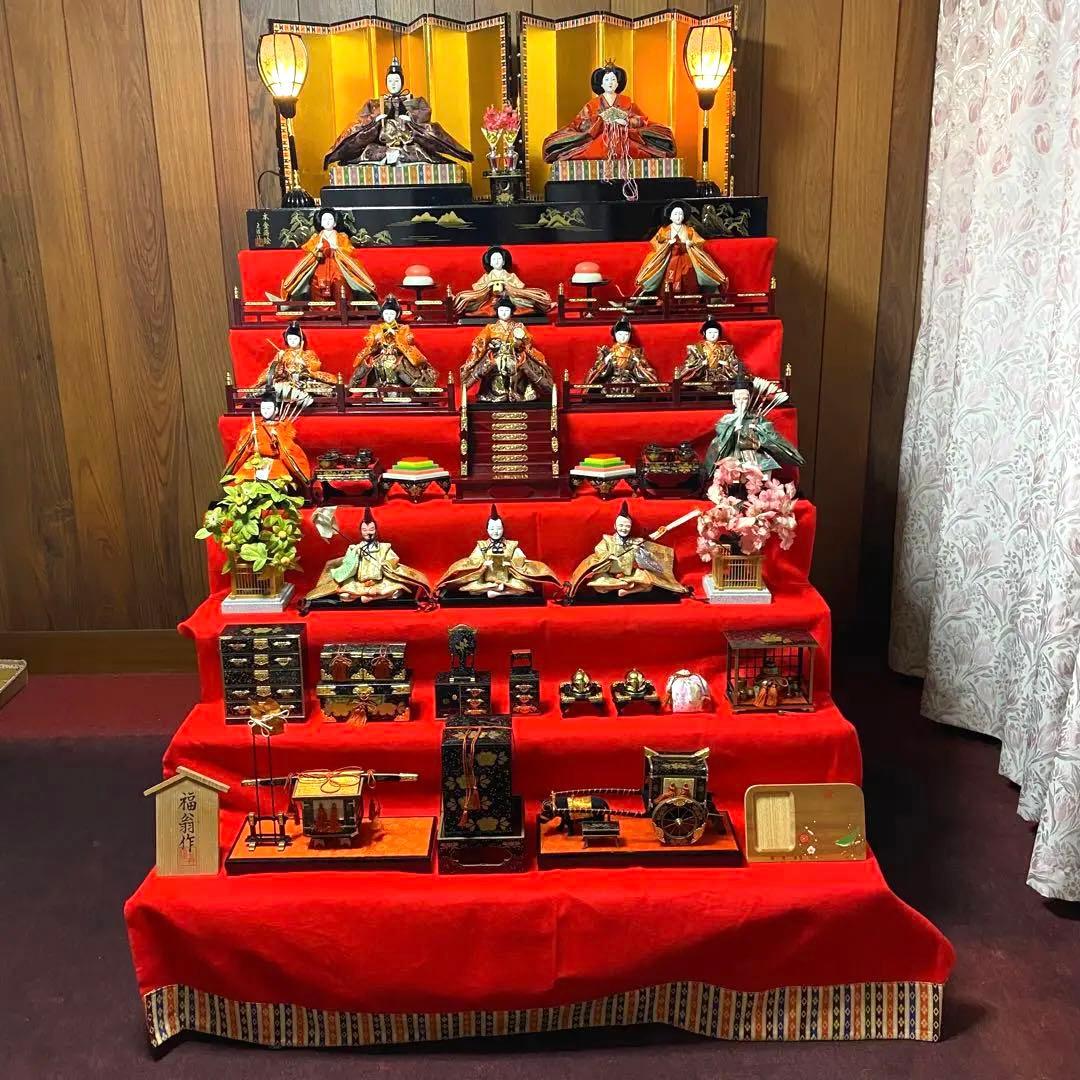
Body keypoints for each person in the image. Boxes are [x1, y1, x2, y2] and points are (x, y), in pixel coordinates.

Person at [324, 57, 473, 169]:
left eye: (396, 81)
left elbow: (425, 115)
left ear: (402, 82)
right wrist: (376, 120)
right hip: (381, 144)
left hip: (407, 143)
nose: (393, 84)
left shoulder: (414, 101)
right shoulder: (375, 103)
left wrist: (410, 119)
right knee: (368, 151)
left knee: (421, 149)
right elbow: (363, 120)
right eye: (390, 81)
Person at [541, 61, 675, 163]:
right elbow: (581, 124)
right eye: (606, 80)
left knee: (649, 142)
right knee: (592, 150)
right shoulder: (592, 104)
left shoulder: (627, 101)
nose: (610, 83)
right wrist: (600, 121)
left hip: (625, 137)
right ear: (601, 84)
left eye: (613, 79)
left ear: (618, 83)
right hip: (599, 138)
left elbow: (641, 120)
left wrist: (626, 121)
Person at [303, 508, 432, 606]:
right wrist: (354, 555)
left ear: (376, 530)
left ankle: (371, 597)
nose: (368, 533)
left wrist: (385, 564)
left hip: (379, 582)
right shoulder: (355, 548)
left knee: (397, 592)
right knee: (344, 595)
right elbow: (347, 565)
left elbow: (393, 559)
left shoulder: (384, 547)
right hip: (359, 582)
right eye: (365, 530)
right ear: (360, 531)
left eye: (371, 529)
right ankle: (370, 596)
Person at [566, 501, 686, 599]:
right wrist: (608, 556)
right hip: (609, 574)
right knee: (598, 586)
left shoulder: (635, 541)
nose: (624, 529)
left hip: (629, 574)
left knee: (649, 582)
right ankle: (624, 586)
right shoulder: (608, 540)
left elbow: (648, 558)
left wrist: (639, 551)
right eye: (621, 525)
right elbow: (599, 551)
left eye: (627, 526)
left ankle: (626, 591)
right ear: (615, 526)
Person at [436, 505, 559, 599]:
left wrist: (510, 564)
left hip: (507, 579)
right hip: (486, 579)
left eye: (499, 528)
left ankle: (500, 593)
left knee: (523, 588)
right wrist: (484, 564)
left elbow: (521, 559)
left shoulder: (511, 545)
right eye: (492, 528)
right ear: (487, 530)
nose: (495, 532)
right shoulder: (482, 545)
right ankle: (495, 589)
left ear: (503, 529)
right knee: (471, 589)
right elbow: (473, 561)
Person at [703, 367, 803, 476]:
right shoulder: (727, 419)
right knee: (729, 468)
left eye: (745, 398)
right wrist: (732, 430)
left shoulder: (756, 418)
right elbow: (720, 441)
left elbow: (771, 436)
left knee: (764, 467)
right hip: (734, 454)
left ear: (749, 400)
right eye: (738, 399)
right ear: (733, 401)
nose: (742, 402)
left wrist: (759, 430)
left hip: (754, 454)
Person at [460, 298, 555, 403]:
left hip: (515, 355)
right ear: (497, 311)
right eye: (501, 310)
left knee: (521, 367)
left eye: (507, 310)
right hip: (496, 356)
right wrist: (490, 346)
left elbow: (527, 342)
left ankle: (519, 392)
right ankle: (497, 393)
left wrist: (519, 343)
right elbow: (480, 342)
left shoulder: (519, 326)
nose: (504, 313)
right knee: (494, 367)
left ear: (512, 312)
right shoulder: (490, 328)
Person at [277, 207, 377, 303]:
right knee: (315, 283)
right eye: (324, 219)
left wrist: (338, 248)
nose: (327, 221)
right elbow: (308, 250)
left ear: (335, 223)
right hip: (320, 265)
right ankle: (319, 310)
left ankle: (342, 309)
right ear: (320, 222)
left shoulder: (342, 237)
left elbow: (349, 250)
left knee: (340, 282)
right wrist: (316, 248)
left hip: (338, 266)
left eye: (330, 219)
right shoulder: (315, 238)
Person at [223, 384, 311, 489]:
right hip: (255, 460)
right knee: (245, 480)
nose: (265, 410)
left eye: (269, 408)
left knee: (277, 481)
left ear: (276, 410)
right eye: (263, 408)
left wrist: (277, 438)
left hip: (274, 462)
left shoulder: (280, 427)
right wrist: (250, 437)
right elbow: (242, 448)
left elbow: (287, 449)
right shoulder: (255, 426)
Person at [633, 201, 729, 297]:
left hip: (686, 258)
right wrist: (667, 243)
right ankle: (666, 299)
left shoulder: (689, 230)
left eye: (680, 214)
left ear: (683, 217)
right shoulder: (664, 230)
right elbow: (656, 243)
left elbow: (698, 241)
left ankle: (690, 299)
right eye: (675, 214)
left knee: (689, 275)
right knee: (665, 278)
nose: (678, 216)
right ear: (670, 217)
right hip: (669, 258)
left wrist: (690, 243)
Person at [349, 296, 438, 390]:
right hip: (381, 354)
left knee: (401, 366)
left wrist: (396, 336)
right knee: (370, 364)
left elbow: (409, 340)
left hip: (398, 355)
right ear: (382, 314)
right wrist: (377, 339)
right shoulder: (375, 328)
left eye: (392, 314)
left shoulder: (403, 328)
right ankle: (360, 387)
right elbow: (369, 341)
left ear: (397, 315)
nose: (389, 316)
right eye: (386, 313)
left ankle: (414, 388)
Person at [452, 246, 553, 318]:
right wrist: (488, 287)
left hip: (509, 300)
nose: (496, 261)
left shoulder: (510, 275)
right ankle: (454, 303)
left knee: (531, 301)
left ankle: (543, 304)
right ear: (490, 262)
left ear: (504, 262)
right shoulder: (487, 276)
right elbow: (478, 289)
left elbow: (519, 288)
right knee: (466, 299)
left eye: (499, 258)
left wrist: (508, 287)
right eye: (494, 259)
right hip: (489, 300)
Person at [253, 322, 337, 399]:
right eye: (290, 339)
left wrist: (303, 362)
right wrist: (279, 362)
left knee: (326, 390)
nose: (292, 341)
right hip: (286, 381)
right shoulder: (282, 354)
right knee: (267, 390)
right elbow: (271, 370)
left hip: (304, 381)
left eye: (295, 339)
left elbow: (316, 368)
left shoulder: (308, 353)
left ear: (301, 340)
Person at [583, 316, 658, 388]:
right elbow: (598, 371)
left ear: (630, 335)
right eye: (620, 334)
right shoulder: (608, 352)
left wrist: (638, 363)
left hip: (629, 381)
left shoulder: (635, 352)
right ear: (615, 335)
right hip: (613, 381)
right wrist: (606, 361)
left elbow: (645, 370)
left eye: (626, 334)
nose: (623, 337)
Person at [678, 316, 738, 385]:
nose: (713, 335)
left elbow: (735, 364)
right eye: (710, 332)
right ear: (704, 333)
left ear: (719, 334)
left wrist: (727, 364)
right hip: (702, 379)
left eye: (715, 332)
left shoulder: (726, 349)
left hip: (721, 378)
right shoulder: (696, 349)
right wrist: (701, 364)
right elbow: (689, 365)